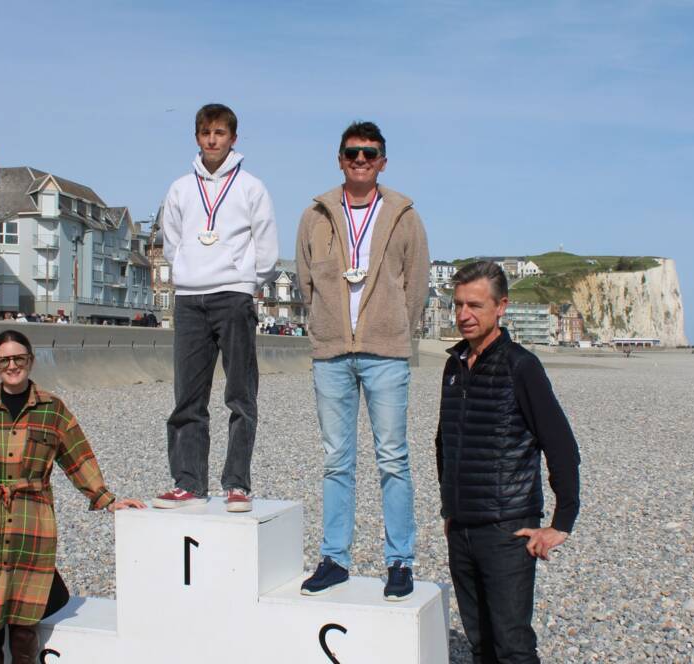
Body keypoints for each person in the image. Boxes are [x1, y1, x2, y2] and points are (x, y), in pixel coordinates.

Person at [296, 121, 429, 600]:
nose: (360, 159)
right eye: (352, 152)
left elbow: (417, 284)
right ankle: (335, 557)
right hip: (332, 353)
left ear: (382, 162)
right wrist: (326, 326)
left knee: (393, 459)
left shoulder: (403, 214)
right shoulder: (316, 214)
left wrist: (395, 330)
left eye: (369, 153)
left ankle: (400, 561)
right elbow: (304, 281)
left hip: (385, 353)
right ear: (339, 159)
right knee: (337, 460)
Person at [0, 330, 145, 663]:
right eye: (5, 360)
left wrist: (106, 498)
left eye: (19, 358)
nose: (12, 365)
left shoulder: (53, 410)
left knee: (26, 617)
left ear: (30, 360)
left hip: (33, 520)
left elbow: (77, 457)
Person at [436, 261, 581, 663]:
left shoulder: (522, 366)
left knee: (513, 647)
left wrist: (562, 523)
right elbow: (444, 439)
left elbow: (562, 445)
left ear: (502, 306)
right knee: (480, 645)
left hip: (507, 529)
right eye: (458, 304)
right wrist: (450, 508)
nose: (464, 315)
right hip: (461, 529)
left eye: (475, 305)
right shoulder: (453, 366)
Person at [153, 103, 278, 514]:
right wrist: (188, 270)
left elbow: (266, 244)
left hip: (233, 295)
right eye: (206, 132)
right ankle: (188, 482)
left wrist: (246, 282)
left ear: (233, 139)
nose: (212, 140)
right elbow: (171, 241)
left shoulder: (251, 187)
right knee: (187, 396)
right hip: (190, 298)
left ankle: (237, 483)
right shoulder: (179, 188)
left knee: (240, 394)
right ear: (196, 138)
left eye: (220, 133)